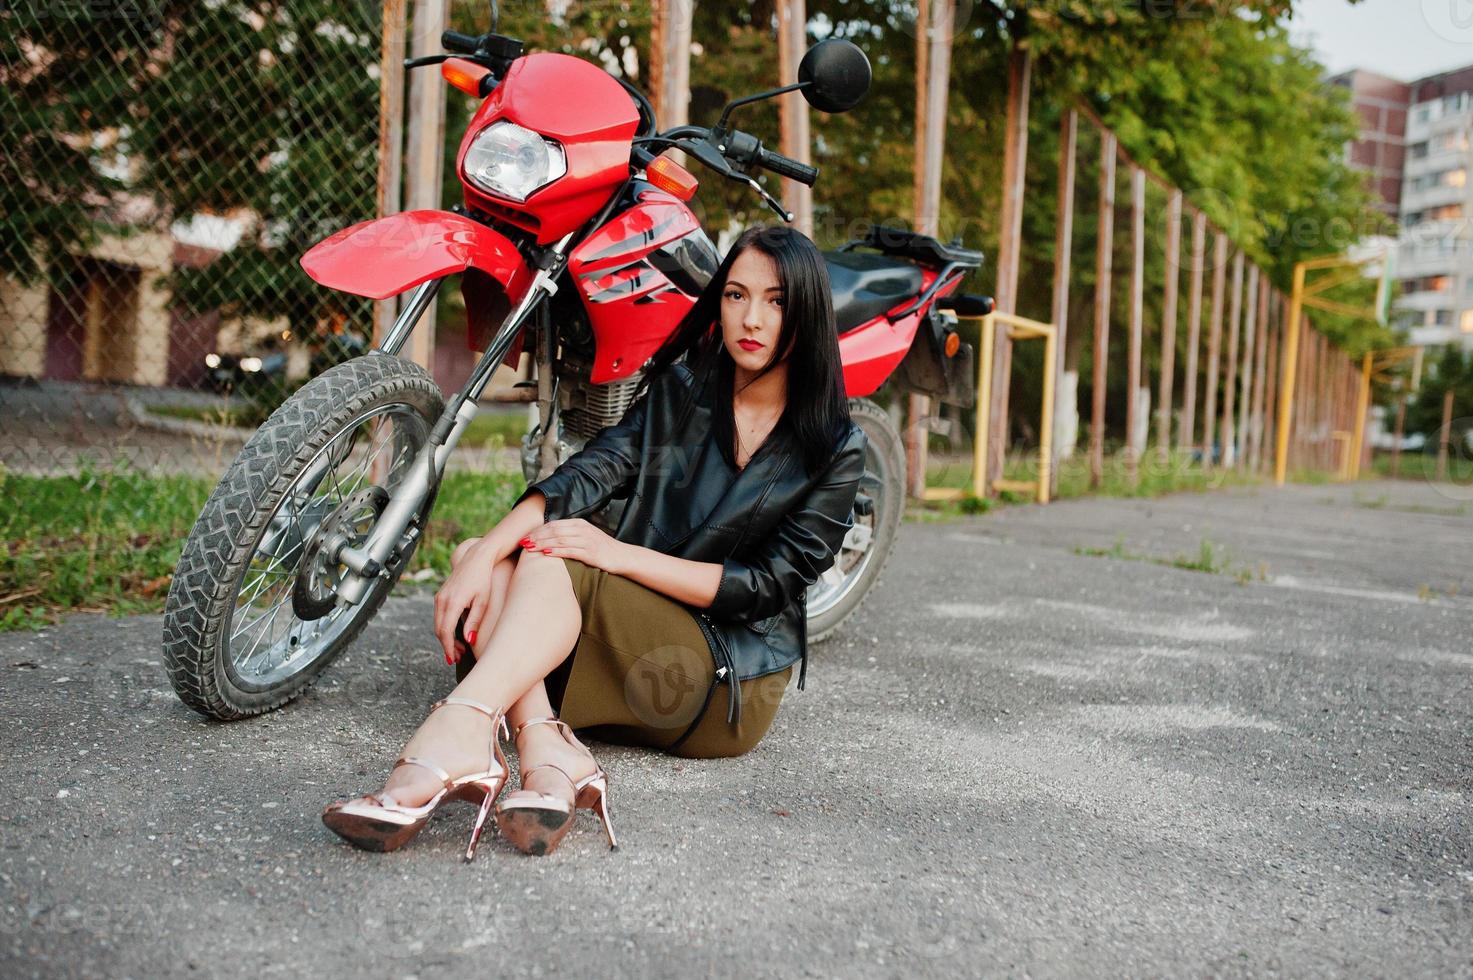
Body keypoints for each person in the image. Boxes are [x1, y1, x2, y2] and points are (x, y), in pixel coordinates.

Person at [321, 225, 868, 860]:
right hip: (630, 638)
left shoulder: (835, 447)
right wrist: (485, 553)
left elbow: (765, 587)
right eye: (736, 295)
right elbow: (593, 469)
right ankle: (546, 759)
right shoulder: (686, 392)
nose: (751, 318)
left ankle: (457, 733)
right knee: (492, 551)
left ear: (806, 310)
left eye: (775, 301)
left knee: (552, 556)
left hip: (723, 681)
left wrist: (615, 555)